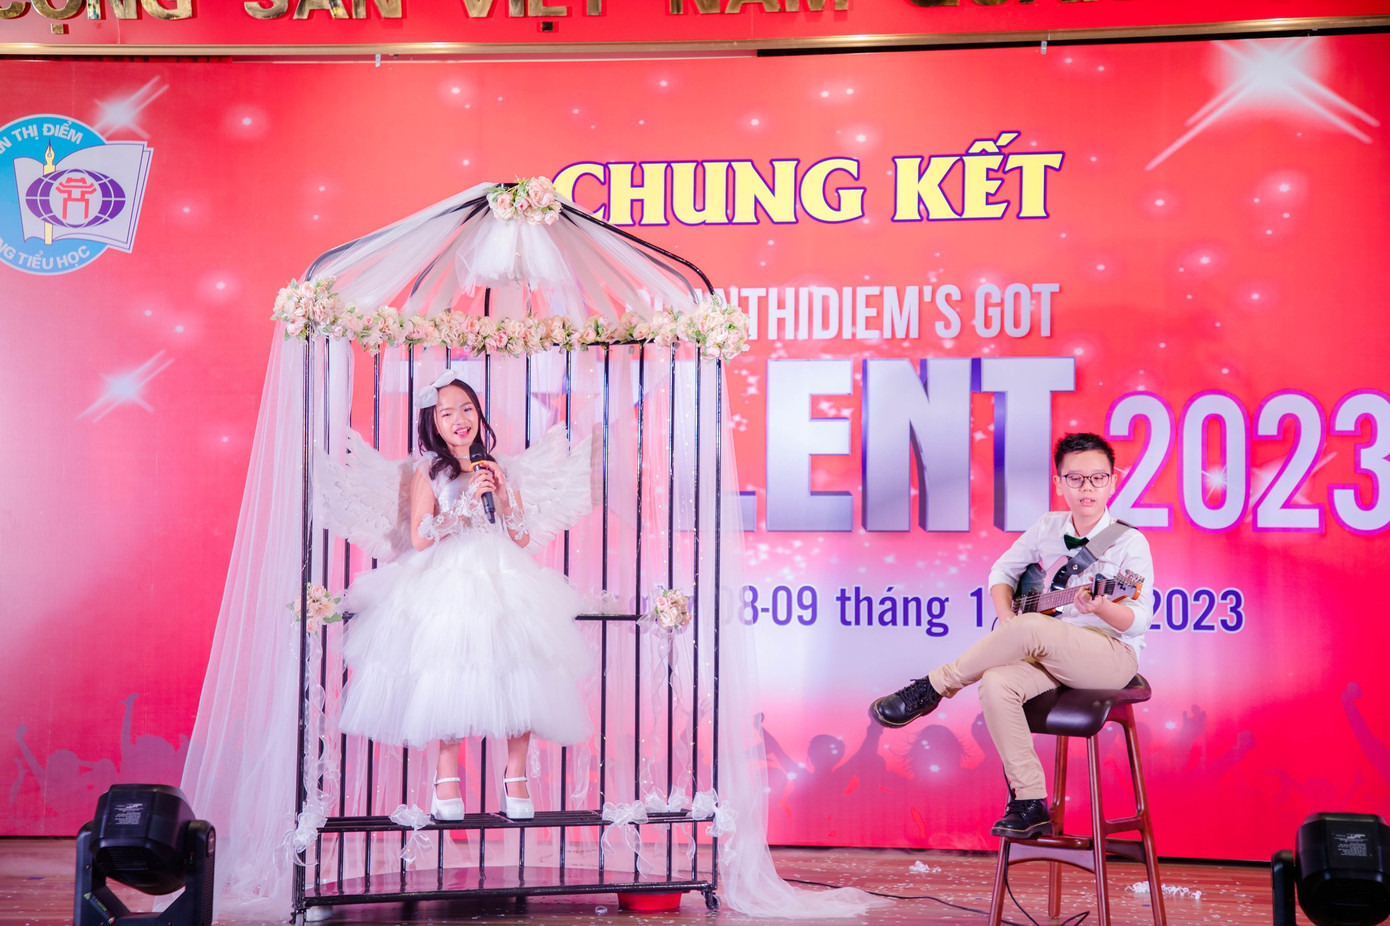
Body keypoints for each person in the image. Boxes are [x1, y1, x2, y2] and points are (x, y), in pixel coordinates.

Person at [869, 432, 1153, 839]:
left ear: (1112, 482)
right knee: (997, 681)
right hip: (1049, 651)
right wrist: (1008, 620)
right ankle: (1030, 802)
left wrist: (1102, 607)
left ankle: (931, 688)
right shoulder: (1047, 527)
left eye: (1097, 478)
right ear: (1059, 483)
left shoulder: (1130, 542)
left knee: (1033, 628)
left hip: (1109, 657)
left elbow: (1138, 619)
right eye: (1075, 479)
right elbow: (1002, 571)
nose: (1086, 488)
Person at [337, 369, 593, 821]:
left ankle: (516, 778)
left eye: (467, 409)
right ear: (433, 423)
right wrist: (464, 503)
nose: (460, 420)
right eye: (447, 413)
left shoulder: (498, 467)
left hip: (503, 572)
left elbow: (519, 536)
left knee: (521, 666)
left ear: (479, 414)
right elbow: (420, 537)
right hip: (450, 575)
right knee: (450, 669)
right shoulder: (428, 470)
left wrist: (505, 498)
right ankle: (446, 780)